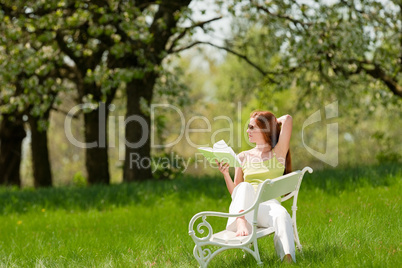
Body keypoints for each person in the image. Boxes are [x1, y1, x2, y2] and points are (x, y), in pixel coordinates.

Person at [215, 111, 295, 263]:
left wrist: (273, 122)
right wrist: (225, 174)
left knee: (282, 214)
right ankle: (240, 221)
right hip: (245, 210)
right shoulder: (243, 157)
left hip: (268, 207)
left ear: (264, 130)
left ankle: (287, 259)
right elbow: (236, 193)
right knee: (245, 186)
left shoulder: (277, 153)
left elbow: (288, 119)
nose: (248, 131)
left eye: (252, 127)